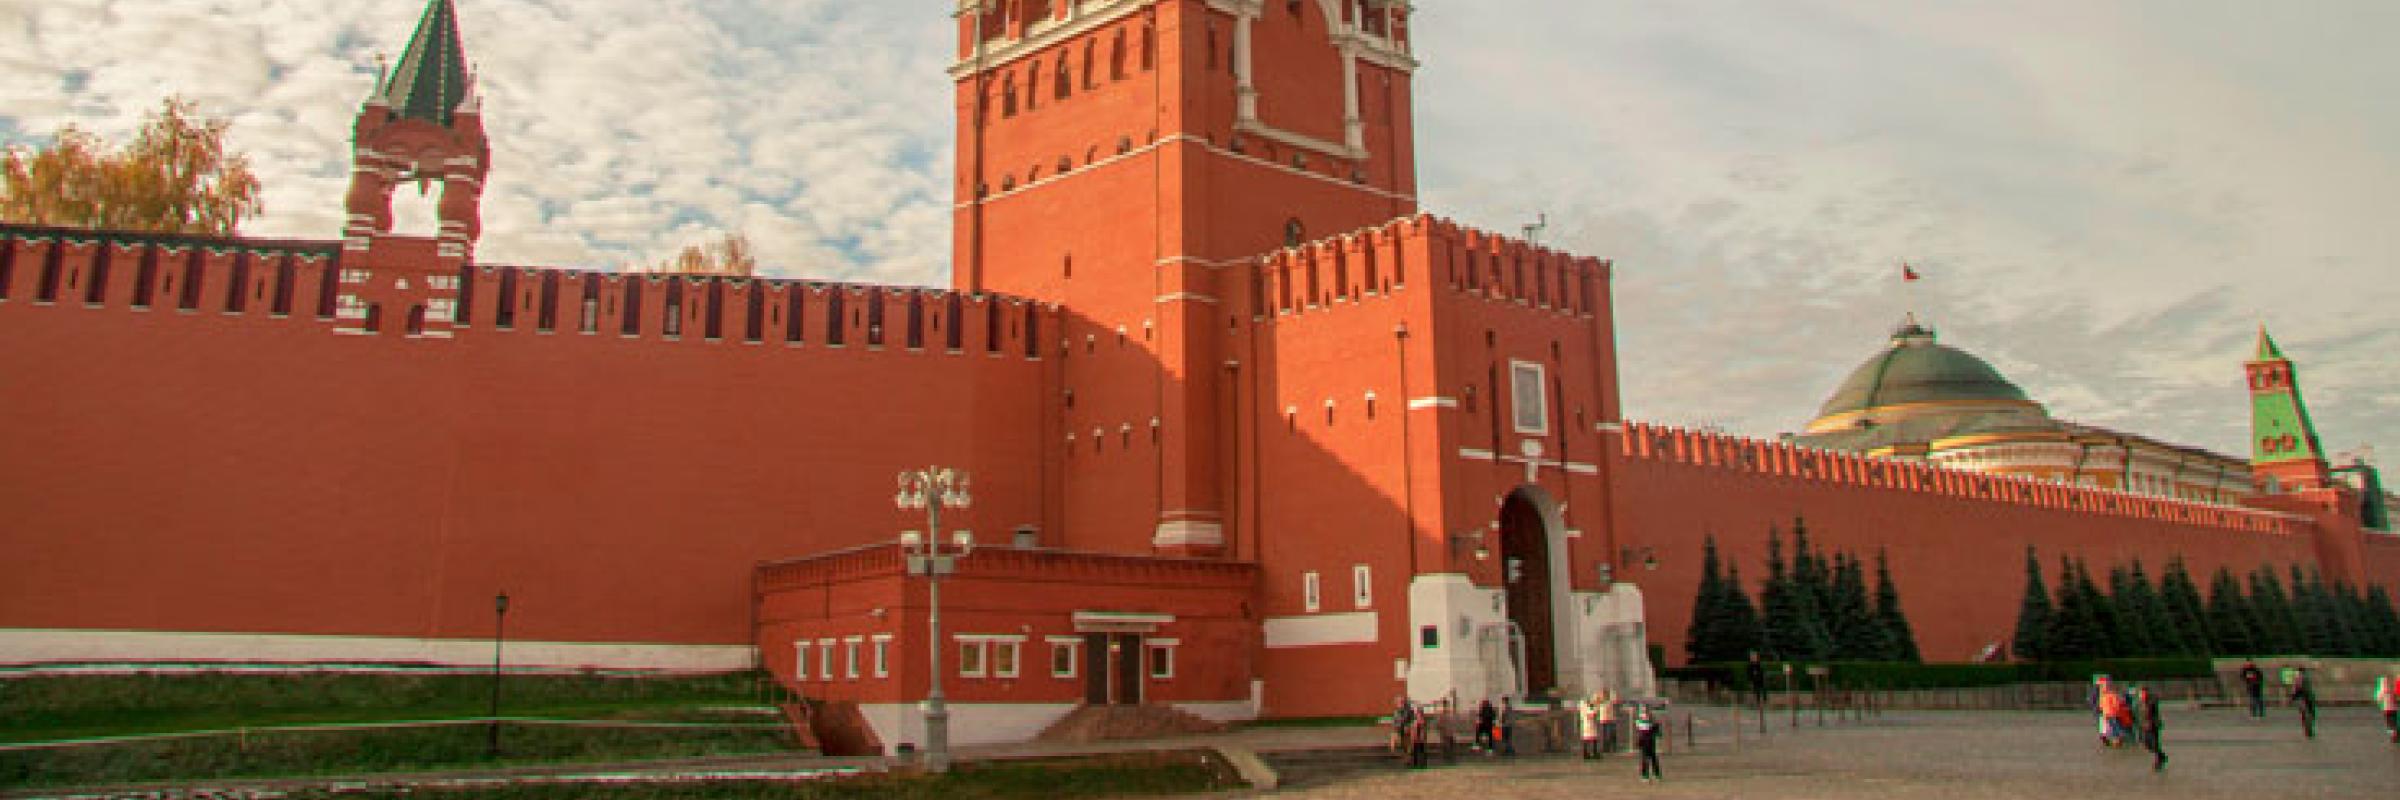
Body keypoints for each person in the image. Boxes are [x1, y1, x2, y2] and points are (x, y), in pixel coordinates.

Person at [2135, 685, 2167, 771]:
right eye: (2141, 693)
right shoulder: (2139, 702)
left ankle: (2158, 762)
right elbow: (2138, 714)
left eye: (2144, 693)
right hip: (2143, 726)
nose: (2142, 695)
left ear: (2147, 693)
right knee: (2145, 743)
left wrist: (2154, 723)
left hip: (2153, 725)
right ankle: (2162, 756)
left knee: (2155, 744)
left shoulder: (2152, 701)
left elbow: (2151, 710)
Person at [1633, 706, 1663, 782]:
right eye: (1642, 713)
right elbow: (1640, 732)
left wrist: (1657, 732)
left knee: (1653, 758)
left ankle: (1656, 774)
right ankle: (1645, 775)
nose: (1644, 715)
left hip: (1651, 742)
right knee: (1644, 759)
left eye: (1645, 712)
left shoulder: (1653, 723)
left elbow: (1657, 732)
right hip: (1643, 742)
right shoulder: (1639, 722)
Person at [2290, 668, 2318, 739]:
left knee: (2305, 716)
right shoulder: (2305, 678)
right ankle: (2309, 732)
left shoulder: (2297, 679)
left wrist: (2293, 698)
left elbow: (2294, 691)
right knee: (2309, 715)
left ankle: (2308, 732)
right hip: (2305, 699)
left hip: (2300, 699)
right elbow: (2308, 690)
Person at [1578, 692, 1602, 759]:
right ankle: (1586, 753)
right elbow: (1592, 714)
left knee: (1593, 739)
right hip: (1587, 725)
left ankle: (1594, 752)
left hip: (1591, 725)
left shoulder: (1588, 707)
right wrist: (1596, 708)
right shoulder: (1585, 707)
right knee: (1587, 740)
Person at [1596, 688, 1620, 754]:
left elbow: (1616, 701)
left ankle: (1611, 747)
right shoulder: (1600, 702)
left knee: (1609, 734)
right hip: (1603, 720)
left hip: (1609, 720)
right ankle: (1605, 748)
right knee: (1603, 735)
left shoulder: (1610, 702)